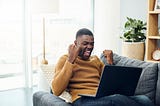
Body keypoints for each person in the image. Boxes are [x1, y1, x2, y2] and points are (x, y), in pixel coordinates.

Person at [51, 28, 154, 106]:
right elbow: (56, 90)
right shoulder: (65, 59)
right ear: (75, 43)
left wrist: (110, 62)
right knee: (116, 99)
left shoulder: (95, 60)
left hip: (101, 97)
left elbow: (110, 82)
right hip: (81, 99)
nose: (90, 47)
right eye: (85, 44)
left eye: (92, 44)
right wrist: (71, 60)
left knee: (144, 99)